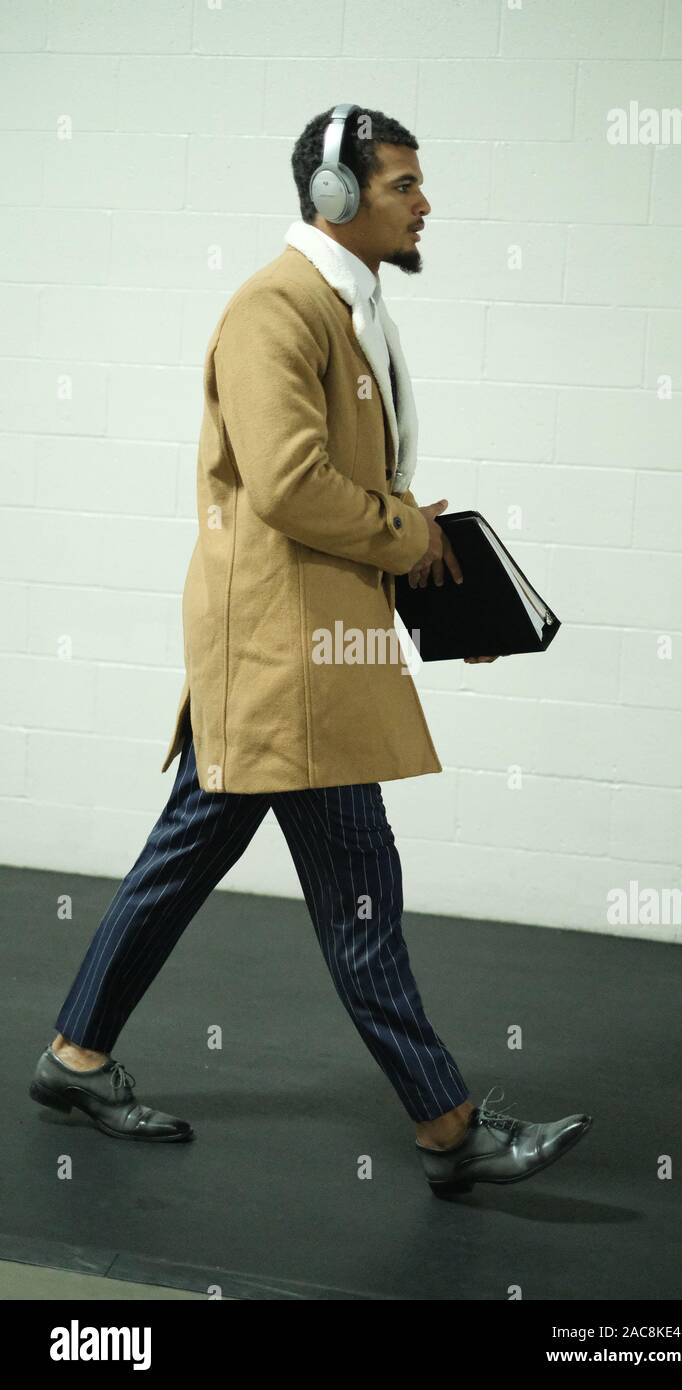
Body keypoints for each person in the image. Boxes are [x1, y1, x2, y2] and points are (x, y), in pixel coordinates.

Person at [31, 105, 591, 1196]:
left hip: (300, 646)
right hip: (288, 662)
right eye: (403, 185)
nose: (425, 203)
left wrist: (420, 555)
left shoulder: (344, 306)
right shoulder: (274, 309)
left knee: (188, 856)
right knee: (360, 888)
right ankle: (447, 1128)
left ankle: (72, 1058)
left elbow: (330, 488)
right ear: (334, 197)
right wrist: (403, 533)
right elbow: (288, 484)